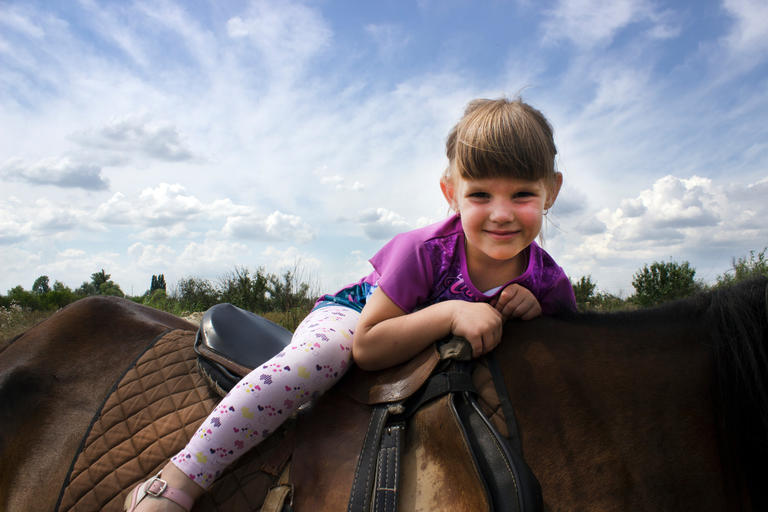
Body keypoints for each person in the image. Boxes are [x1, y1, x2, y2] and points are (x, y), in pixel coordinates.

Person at [124, 97, 577, 511]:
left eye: (522, 195)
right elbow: (369, 346)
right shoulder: (423, 251)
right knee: (316, 362)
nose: (501, 213)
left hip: (419, 343)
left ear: (551, 191)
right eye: (480, 194)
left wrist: (535, 311)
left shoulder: (548, 279)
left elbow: (573, 344)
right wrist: (452, 312)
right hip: (360, 315)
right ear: (450, 193)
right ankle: (179, 479)